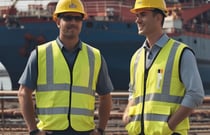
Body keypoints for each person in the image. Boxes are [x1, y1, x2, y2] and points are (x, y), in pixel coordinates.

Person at [18, 0, 113, 135]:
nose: (73, 22)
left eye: (77, 18)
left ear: (82, 22)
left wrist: (101, 130)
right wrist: (33, 130)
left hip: (84, 131)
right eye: (67, 17)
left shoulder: (95, 56)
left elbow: (105, 96)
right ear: (58, 21)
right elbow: (23, 93)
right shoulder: (40, 54)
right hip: (50, 131)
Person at [122, 0, 205, 135]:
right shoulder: (136, 57)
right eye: (136, 16)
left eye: (142, 15)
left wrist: (170, 125)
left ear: (158, 17)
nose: (137, 20)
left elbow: (196, 94)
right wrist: (127, 111)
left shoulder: (181, 53)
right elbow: (133, 91)